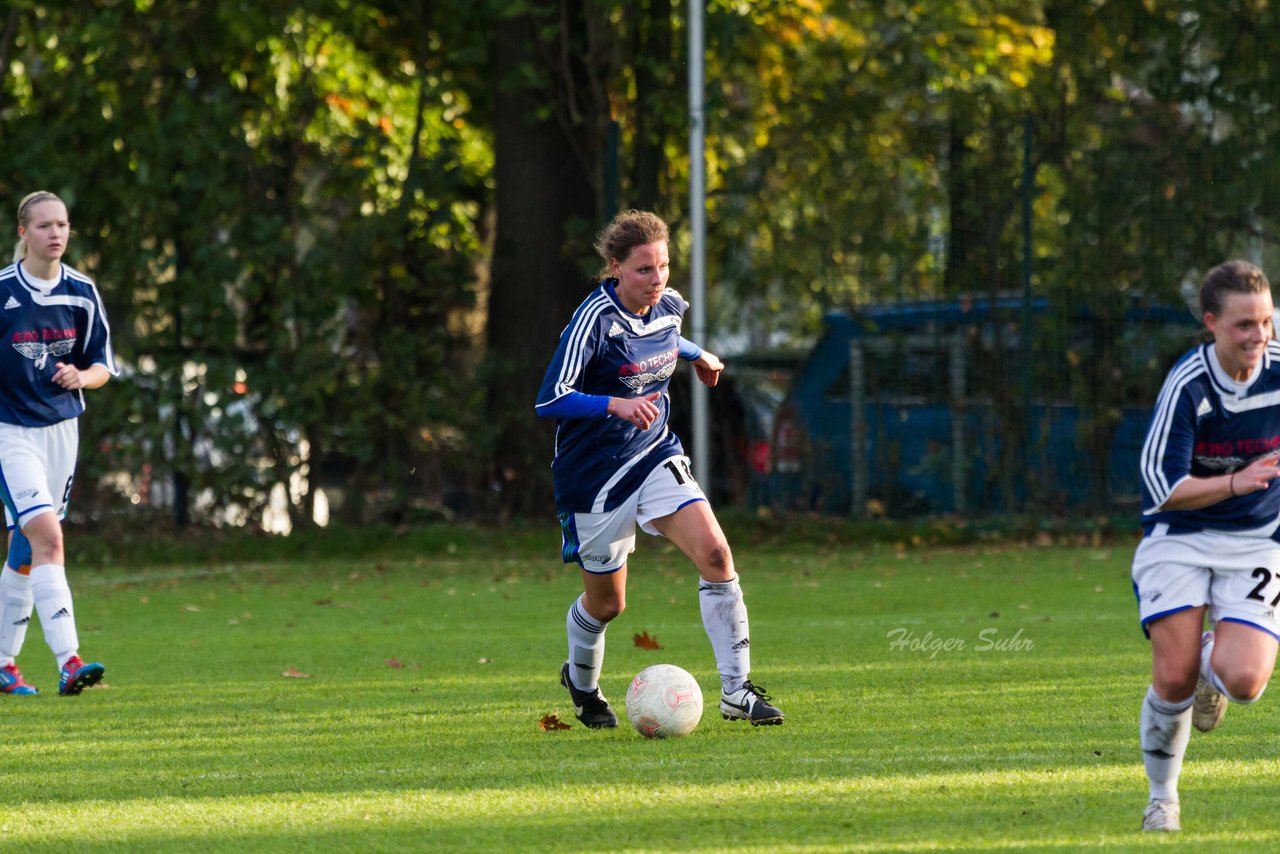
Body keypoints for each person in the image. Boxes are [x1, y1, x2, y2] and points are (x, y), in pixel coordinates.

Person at [534, 209, 783, 729]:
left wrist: (698, 355)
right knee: (607, 605)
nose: (657, 279)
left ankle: (737, 692)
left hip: (654, 455)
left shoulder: (667, 307)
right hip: (594, 476)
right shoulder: (592, 321)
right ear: (615, 268)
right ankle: (581, 685)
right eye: (643, 269)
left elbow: (665, 337)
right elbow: (549, 399)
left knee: (716, 553)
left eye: (663, 266)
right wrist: (613, 404)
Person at [1133, 259, 1280, 831]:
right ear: (1212, 322)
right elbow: (1160, 487)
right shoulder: (1188, 385)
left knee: (1243, 683)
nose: (1258, 337)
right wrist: (1235, 482)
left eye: (1265, 323)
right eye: (1244, 324)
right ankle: (1161, 800)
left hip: (1258, 541)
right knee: (1171, 678)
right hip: (1182, 537)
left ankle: (1209, 661)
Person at [0, 190, 116, 697]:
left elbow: (103, 365)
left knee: (26, 551)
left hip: (61, 433)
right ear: (22, 233)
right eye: (44, 225)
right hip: (9, 433)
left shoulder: (82, 292)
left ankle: (2, 664)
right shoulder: (3, 291)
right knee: (49, 538)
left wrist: (81, 377)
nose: (56, 234)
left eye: (63, 225)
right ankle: (70, 661)